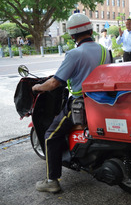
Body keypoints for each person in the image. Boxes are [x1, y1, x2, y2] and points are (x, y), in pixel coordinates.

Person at [32, 13, 110, 193]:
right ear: (91, 30)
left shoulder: (74, 53)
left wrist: (37, 88)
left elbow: (54, 82)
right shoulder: (105, 51)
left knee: (51, 135)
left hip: (80, 103)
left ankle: (52, 180)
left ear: (73, 35)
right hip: (102, 103)